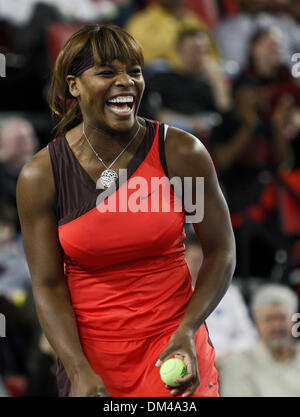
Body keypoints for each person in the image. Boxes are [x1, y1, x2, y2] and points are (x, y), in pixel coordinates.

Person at [16, 24, 235, 397]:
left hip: (176, 345)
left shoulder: (181, 153)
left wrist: (187, 328)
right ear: (74, 85)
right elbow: (48, 286)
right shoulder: (42, 176)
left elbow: (221, 250)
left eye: (134, 71)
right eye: (107, 72)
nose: (126, 82)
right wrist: (77, 369)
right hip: (92, 362)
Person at [142, 29, 230, 137]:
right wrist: (191, 122)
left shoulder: (209, 83)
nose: (199, 56)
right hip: (175, 132)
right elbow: (152, 113)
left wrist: (218, 83)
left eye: (204, 51)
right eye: (194, 50)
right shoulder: (162, 80)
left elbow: (225, 117)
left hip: (204, 133)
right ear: (179, 51)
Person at [185, 235, 257, 367]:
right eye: (196, 261)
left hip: (229, 364)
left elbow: (248, 335)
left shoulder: (230, 293)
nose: (200, 267)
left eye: (204, 261)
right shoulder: (175, 295)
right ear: (183, 261)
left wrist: (228, 356)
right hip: (192, 363)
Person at [220, 283, 300, 397]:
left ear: (293, 322)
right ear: (257, 325)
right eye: (269, 320)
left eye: (282, 318)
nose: (276, 326)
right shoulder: (237, 364)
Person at [125, 0, 216, 67]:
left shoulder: (194, 21)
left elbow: (213, 54)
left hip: (198, 75)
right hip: (163, 77)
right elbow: (138, 57)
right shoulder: (141, 22)